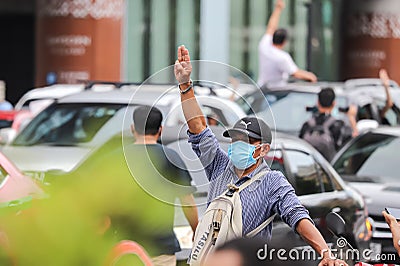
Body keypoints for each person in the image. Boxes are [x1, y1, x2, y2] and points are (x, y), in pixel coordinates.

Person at [174, 45, 347, 266]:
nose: (237, 145)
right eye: (235, 140)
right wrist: (185, 85)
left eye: (245, 141)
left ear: (263, 149)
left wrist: (325, 253)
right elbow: (198, 126)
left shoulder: (272, 182)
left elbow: (298, 217)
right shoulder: (220, 166)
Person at [108, 105, 199, 266]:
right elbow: (187, 202)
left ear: (132, 128)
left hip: (125, 249)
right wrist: (196, 230)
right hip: (161, 249)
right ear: (160, 130)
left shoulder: (116, 158)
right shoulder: (171, 157)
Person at [257, 0, 317, 88]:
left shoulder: (264, 45)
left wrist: (278, 8)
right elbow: (295, 73)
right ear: (284, 42)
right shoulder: (282, 57)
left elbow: (271, 27)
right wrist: (311, 76)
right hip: (275, 92)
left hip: (262, 88)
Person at [299, 87, 352, 161]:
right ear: (334, 103)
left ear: (318, 102)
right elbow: (351, 146)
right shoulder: (339, 125)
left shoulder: (307, 125)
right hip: (329, 169)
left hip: (308, 168)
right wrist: (351, 117)